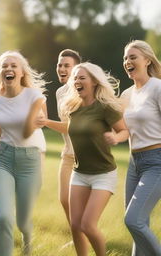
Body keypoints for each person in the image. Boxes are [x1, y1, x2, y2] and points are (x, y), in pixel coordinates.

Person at [37, 62, 128, 256]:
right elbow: (68, 128)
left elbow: (124, 131)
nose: (77, 81)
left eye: (82, 77)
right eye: (75, 78)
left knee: (87, 224)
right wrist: (45, 122)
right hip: (79, 173)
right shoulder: (73, 108)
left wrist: (116, 137)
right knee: (76, 225)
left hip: (103, 174)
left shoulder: (105, 108)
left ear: (94, 81)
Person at [0, 51, 46, 256]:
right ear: (0, 72)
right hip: (3, 160)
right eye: (5, 66)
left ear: (21, 71)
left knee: (23, 221)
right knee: (3, 218)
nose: (9, 68)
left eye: (14, 65)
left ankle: (27, 239)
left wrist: (35, 114)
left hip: (30, 161)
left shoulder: (34, 96)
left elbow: (27, 133)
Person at [122, 40, 161, 256]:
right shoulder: (126, 95)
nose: (127, 61)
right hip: (133, 163)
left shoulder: (157, 87)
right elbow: (120, 129)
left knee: (133, 220)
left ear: (147, 60)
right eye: (126, 58)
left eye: (132, 57)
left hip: (157, 161)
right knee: (138, 225)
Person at [55, 49, 81, 222]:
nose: (62, 68)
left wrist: (45, 122)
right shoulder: (59, 92)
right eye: (60, 65)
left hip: (85, 156)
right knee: (65, 199)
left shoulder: (83, 91)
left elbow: (75, 127)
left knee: (78, 201)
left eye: (67, 65)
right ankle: (77, 237)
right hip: (68, 154)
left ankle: (84, 238)